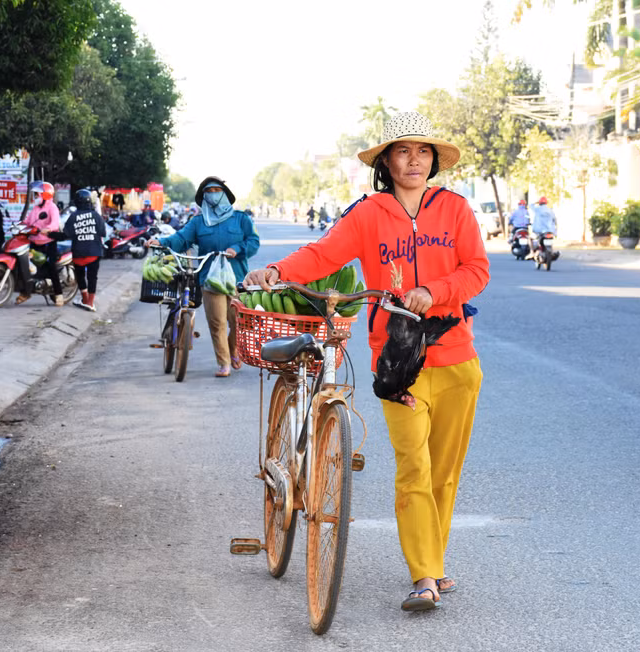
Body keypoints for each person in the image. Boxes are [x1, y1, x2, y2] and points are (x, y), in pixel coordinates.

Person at [244, 111, 489, 612]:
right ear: (386, 161)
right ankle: (423, 576)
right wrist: (276, 270)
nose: (414, 160)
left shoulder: (457, 210)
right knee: (413, 468)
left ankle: (435, 564)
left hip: (457, 358)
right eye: (403, 151)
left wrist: (434, 290)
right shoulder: (369, 213)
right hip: (399, 363)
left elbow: (477, 270)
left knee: (445, 472)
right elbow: (323, 255)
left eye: (423, 151)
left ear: (434, 161)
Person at [147, 177, 260, 377]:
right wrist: (161, 242)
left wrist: (237, 248)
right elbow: (181, 239)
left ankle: (234, 349)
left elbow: (253, 241)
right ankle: (223, 363)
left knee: (240, 322)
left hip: (237, 279)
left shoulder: (241, 219)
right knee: (217, 323)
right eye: (209, 191)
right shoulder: (198, 222)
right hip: (210, 279)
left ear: (225, 194)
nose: (213, 194)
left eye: (217, 190)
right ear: (204, 197)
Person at [57, 189, 106, 311]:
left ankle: (84, 299)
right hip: (94, 253)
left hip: (79, 254)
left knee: (80, 276)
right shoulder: (96, 216)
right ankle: (90, 302)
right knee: (92, 277)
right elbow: (103, 233)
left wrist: (51, 235)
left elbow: (66, 234)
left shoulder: (73, 217)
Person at [20, 181, 63, 306]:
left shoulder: (52, 207)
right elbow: (28, 222)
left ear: (45, 195)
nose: (35, 197)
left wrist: (48, 229)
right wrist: (19, 225)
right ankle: (25, 292)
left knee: (51, 267)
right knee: (26, 267)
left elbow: (55, 223)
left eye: (37, 194)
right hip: (34, 242)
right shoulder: (35, 208)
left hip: (48, 242)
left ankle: (59, 294)